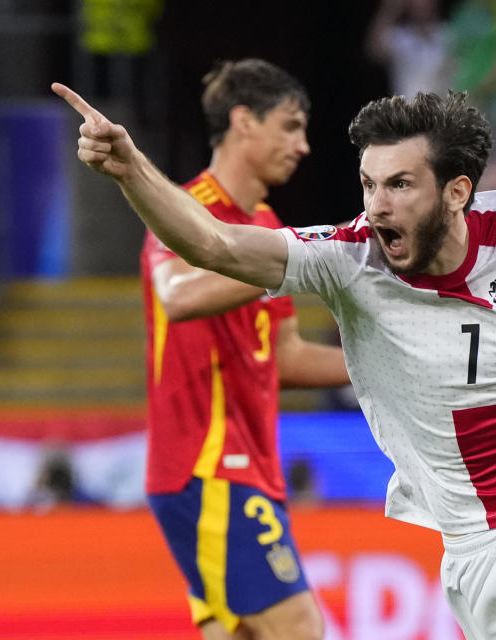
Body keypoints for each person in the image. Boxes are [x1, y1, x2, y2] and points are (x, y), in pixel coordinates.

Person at [53, 81, 496, 640]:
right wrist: (131, 170)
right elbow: (218, 247)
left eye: (399, 185)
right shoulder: (349, 260)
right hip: (480, 551)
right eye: (368, 184)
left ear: (456, 191)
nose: (376, 206)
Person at [138, 59, 350, 640]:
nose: (303, 146)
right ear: (243, 122)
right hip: (206, 467)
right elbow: (177, 295)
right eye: (290, 126)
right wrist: (293, 260)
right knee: (299, 628)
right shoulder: (182, 209)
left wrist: (401, 364)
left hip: (252, 470)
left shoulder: (267, 226)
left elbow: (286, 358)